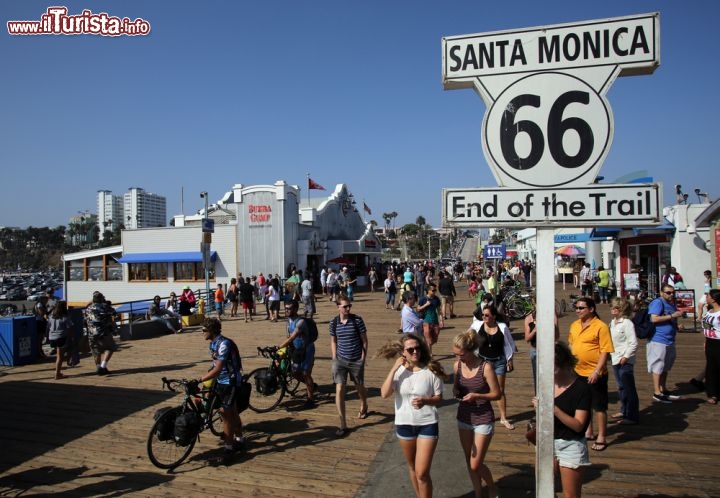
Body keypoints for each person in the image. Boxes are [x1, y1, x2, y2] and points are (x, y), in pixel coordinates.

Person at [379, 333, 446, 498]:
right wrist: (395, 368)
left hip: (427, 424)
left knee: (422, 472)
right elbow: (384, 393)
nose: (415, 351)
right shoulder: (399, 372)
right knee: (412, 468)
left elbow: (439, 399)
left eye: (417, 348)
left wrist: (426, 401)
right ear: (403, 352)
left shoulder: (431, 370)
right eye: (410, 349)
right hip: (404, 424)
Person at [532, 342, 592, 498]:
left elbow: (578, 426)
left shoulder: (581, 388)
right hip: (547, 441)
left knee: (570, 495)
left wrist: (555, 410)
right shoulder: (546, 383)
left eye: (553, 366)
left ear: (565, 363)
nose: (548, 370)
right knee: (544, 490)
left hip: (570, 444)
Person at [452, 329, 501, 498]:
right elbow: (455, 387)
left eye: (461, 354)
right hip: (464, 416)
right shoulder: (457, 365)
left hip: (483, 418)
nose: (459, 358)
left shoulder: (485, 367)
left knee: (475, 464)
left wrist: (477, 395)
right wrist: (456, 391)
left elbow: (497, 394)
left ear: (471, 350)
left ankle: (492, 486)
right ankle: (478, 494)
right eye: (456, 354)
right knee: (468, 460)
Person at [568, 297, 614, 451]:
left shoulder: (600, 326)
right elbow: (571, 344)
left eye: (581, 308)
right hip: (577, 371)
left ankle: (602, 436)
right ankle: (588, 431)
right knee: (582, 404)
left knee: (599, 406)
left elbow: (605, 351)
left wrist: (597, 371)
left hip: (595, 372)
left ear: (591, 309)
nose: (578, 311)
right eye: (577, 308)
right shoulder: (574, 325)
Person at [197, 317, 244, 463]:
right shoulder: (213, 344)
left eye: (204, 330)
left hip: (230, 381)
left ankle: (229, 449)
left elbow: (218, 368)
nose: (201, 333)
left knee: (226, 413)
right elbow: (214, 365)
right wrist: (204, 379)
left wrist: (200, 380)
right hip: (220, 380)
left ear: (211, 330)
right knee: (232, 411)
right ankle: (240, 439)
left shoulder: (224, 343)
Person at [471, 304, 516, 430]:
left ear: (494, 316)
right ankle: (481, 416)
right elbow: (468, 337)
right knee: (482, 388)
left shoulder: (502, 327)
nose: (484, 317)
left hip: (499, 361)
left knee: (500, 390)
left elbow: (509, 343)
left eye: (487, 315)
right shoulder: (477, 325)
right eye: (483, 315)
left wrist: (509, 358)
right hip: (483, 362)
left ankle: (503, 418)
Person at [330, 296, 369, 437]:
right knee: (339, 388)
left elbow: (364, 340)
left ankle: (364, 404)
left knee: (359, 387)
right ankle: (343, 424)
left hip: (356, 360)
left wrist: (362, 358)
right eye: (345, 306)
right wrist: (334, 357)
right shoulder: (334, 322)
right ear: (338, 307)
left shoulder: (357, 320)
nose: (348, 308)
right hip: (340, 360)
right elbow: (333, 341)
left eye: (349, 306)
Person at [648, 284, 683, 403]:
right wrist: (672, 315)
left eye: (672, 292)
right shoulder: (658, 302)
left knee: (666, 366)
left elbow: (669, 319)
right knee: (658, 366)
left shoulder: (671, 304)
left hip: (670, 339)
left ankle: (663, 389)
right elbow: (654, 319)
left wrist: (677, 325)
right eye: (668, 292)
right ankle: (657, 392)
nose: (671, 295)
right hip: (658, 339)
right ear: (661, 292)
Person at [278, 300, 316, 406]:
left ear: (295, 309)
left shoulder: (300, 322)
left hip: (307, 349)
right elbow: (287, 337)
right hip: (297, 349)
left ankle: (310, 399)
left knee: (305, 373)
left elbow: (292, 337)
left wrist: (279, 347)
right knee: (294, 372)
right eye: (285, 308)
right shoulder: (288, 321)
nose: (286, 310)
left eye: (289, 308)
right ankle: (311, 385)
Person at [609, 298, 639, 425]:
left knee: (629, 388)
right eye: (612, 307)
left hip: (624, 360)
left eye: (616, 308)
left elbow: (633, 343)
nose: (612, 309)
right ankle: (624, 410)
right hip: (614, 358)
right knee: (621, 387)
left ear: (621, 310)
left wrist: (626, 356)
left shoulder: (627, 323)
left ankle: (632, 415)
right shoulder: (612, 322)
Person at [524, 307, 560, 394]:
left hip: (549, 350)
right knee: (537, 376)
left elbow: (556, 336)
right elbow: (527, 339)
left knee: (551, 375)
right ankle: (538, 396)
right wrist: (535, 330)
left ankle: (552, 395)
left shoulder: (550, 317)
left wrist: (553, 319)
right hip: (535, 350)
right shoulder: (529, 319)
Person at [84, 291, 117, 375]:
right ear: (101, 298)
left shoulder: (88, 308)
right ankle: (103, 366)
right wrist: (105, 303)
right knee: (110, 348)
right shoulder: (104, 306)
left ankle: (98, 368)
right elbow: (114, 312)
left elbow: (85, 316)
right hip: (103, 332)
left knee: (96, 351)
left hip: (91, 333)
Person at [701, 288, 720, 404]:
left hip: (719, 342)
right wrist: (706, 341)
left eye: (708, 296)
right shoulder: (709, 312)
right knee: (711, 368)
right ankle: (712, 393)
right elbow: (707, 328)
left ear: (713, 299)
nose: (706, 298)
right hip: (710, 342)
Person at [47, 300, 74, 380]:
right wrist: (72, 338)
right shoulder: (65, 317)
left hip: (52, 337)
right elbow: (70, 328)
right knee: (60, 357)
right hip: (61, 337)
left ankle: (58, 372)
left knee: (59, 355)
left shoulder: (51, 316)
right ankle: (57, 373)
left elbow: (48, 327)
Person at [417, 284, 443, 353]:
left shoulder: (436, 299)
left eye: (435, 290)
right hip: (426, 320)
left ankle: (425, 346)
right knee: (428, 338)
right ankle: (429, 354)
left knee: (434, 338)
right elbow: (418, 309)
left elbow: (439, 310)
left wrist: (441, 320)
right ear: (428, 291)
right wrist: (426, 305)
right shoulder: (423, 299)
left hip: (435, 320)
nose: (435, 292)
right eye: (433, 290)